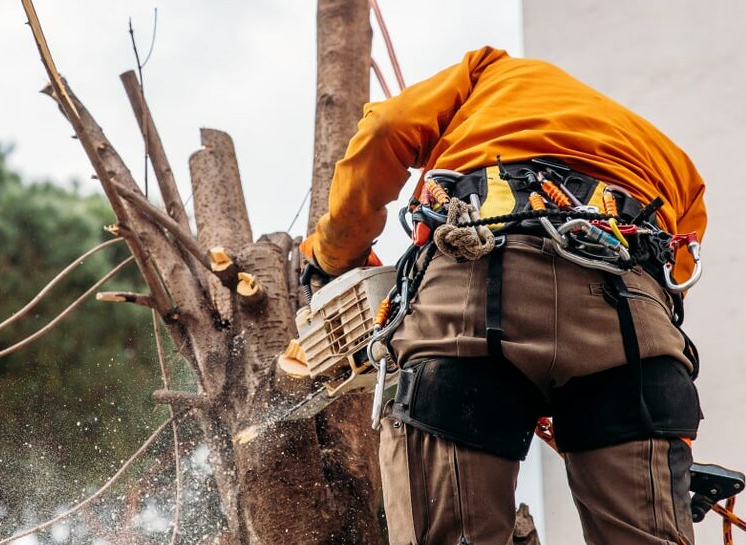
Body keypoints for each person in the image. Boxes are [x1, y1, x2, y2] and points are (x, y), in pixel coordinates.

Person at [301, 46, 706, 545]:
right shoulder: (674, 162)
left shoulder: (488, 71)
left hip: (475, 299)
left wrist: (331, 255)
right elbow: (675, 278)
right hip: (632, 329)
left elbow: (387, 128)